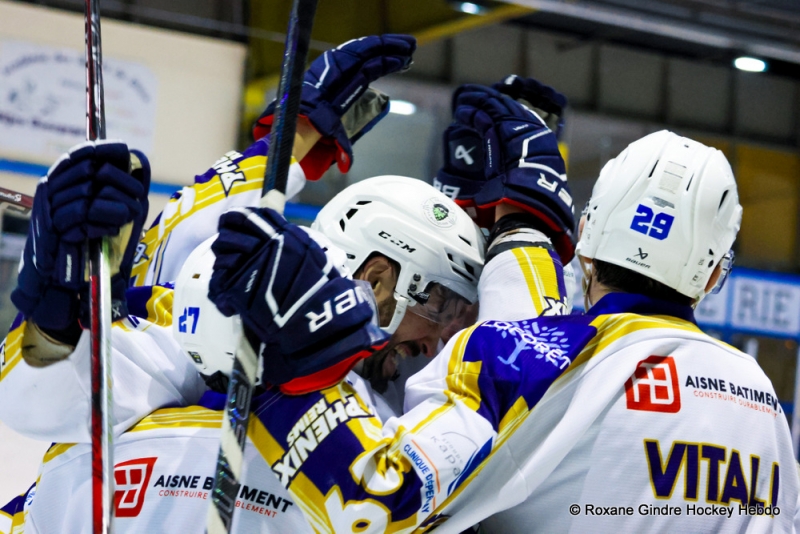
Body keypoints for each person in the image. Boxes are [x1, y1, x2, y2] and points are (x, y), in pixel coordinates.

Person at [197, 90, 798, 533]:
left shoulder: (519, 360)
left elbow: (377, 501)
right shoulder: (762, 401)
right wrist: (523, 226)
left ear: (585, 238)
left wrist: (288, 375)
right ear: (716, 273)